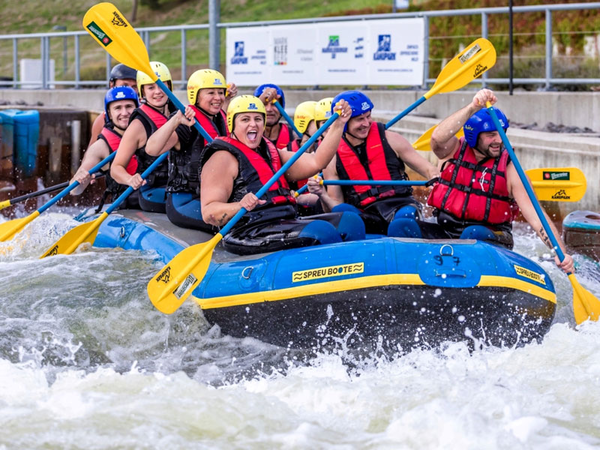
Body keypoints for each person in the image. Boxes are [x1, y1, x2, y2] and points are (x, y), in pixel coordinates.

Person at [422, 88, 574, 273]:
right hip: (446, 231)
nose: (498, 140)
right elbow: (437, 138)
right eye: (490, 135)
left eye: (501, 133)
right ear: (474, 136)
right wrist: (473, 107)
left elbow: (537, 217)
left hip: (490, 237)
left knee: (472, 235)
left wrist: (561, 254)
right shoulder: (452, 151)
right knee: (403, 226)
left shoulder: (511, 170)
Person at [197, 95, 365, 255]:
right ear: (232, 124)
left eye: (257, 119)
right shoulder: (221, 158)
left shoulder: (272, 154)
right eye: (245, 119)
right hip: (248, 231)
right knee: (321, 232)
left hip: (283, 221)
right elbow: (209, 212)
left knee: (350, 222)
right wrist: (239, 205)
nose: (253, 125)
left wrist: (338, 124)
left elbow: (316, 162)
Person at [308, 90, 439, 235]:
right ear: (344, 123)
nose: (366, 123)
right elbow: (335, 203)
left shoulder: (391, 139)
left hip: (400, 206)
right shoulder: (332, 156)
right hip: (366, 213)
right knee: (343, 213)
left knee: (403, 220)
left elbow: (429, 170)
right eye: (359, 119)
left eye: (368, 116)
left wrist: (435, 179)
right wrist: (322, 195)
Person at [145, 69, 236, 231]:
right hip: (185, 201)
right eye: (211, 93)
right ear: (196, 95)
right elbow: (152, 149)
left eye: (221, 92)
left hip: (213, 199)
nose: (218, 97)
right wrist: (175, 120)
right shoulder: (187, 124)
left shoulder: (220, 118)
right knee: (237, 222)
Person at [110, 61, 173, 213]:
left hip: (178, 185)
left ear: (169, 87)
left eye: (162, 85)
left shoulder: (177, 112)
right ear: (142, 92)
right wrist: (130, 179)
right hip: (153, 190)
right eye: (151, 87)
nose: (158, 91)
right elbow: (116, 168)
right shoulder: (138, 125)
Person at [71, 86, 140, 210]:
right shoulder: (100, 147)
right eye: (118, 108)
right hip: (126, 207)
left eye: (129, 106)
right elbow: (75, 191)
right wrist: (80, 179)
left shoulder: (150, 134)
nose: (124, 113)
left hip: (153, 199)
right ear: (109, 113)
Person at [87, 64, 138, 148]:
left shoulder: (147, 112)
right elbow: (91, 152)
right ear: (112, 85)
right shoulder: (101, 121)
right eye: (124, 85)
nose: (129, 90)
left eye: (134, 87)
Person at [253, 83, 298, 149]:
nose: (269, 109)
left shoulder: (295, 135)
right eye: (264, 104)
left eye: (274, 104)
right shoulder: (246, 135)